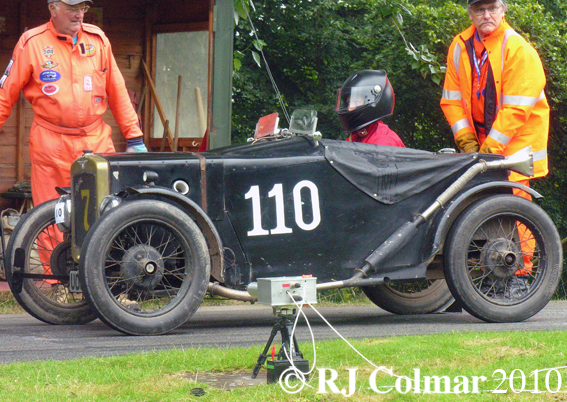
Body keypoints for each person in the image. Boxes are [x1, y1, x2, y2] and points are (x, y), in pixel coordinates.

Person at [440, 0, 549, 297]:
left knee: (514, 206)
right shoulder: (460, 46)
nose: (485, 15)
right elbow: (451, 100)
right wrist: (467, 142)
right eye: (479, 9)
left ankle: (519, 278)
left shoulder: (517, 48)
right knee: (481, 209)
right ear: (470, 13)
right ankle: (491, 275)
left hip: (516, 146)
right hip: (482, 145)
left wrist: (490, 149)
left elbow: (516, 110)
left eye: (491, 8)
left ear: (503, 10)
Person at [0, 0, 147, 207]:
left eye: (82, 8)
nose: (78, 15)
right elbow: (4, 95)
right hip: (50, 147)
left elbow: (118, 90)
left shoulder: (99, 41)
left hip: (96, 143)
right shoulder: (31, 43)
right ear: (53, 9)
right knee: (51, 216)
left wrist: (134, 138)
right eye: (71, 9)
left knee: (105, 211)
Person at [336, 69, 405, 147]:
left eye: (357, 102)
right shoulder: (357, 136)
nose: (350, 108)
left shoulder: (383, 142)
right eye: (349, 103)